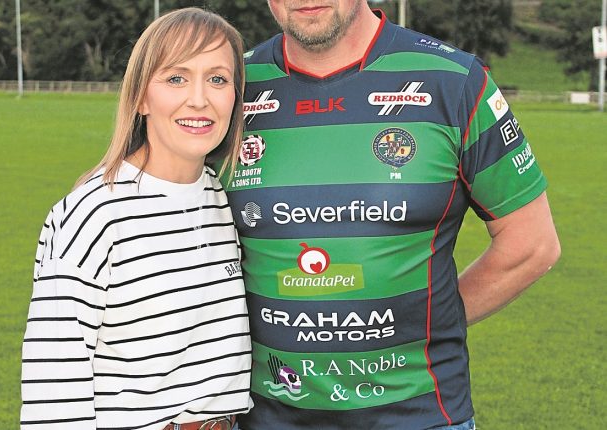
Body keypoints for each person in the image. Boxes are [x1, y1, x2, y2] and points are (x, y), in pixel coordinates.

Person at [224, 1, 561, 429]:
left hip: (420, 417)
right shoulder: (228, 86)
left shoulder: (454, 81)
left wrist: (433, 320)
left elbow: (531, 243)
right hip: (264, 418)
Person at [21, 8, 252, 430]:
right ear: (142, 97)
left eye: (218, 79)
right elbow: (53, 383)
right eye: (176, 78)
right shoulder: (94, 213)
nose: (199, 99)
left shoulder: (222, 199)